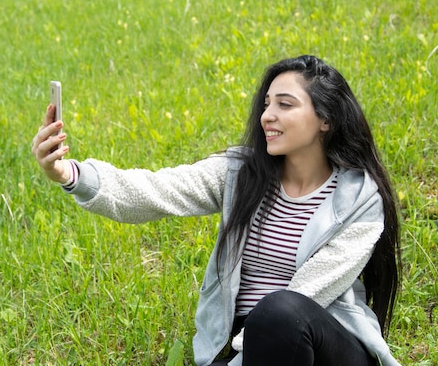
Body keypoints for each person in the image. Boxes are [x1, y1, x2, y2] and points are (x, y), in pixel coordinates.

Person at [32, 55, 402, 366]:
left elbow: (311, 293)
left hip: (328, 343)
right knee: (272, 318)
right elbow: (157, 190)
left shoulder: (359, 197)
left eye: (285, 104)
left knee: (280, 312)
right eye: (267, 103)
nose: (267, 115)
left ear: (326, 119)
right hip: (257, 344)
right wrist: (70, 174)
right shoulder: (241, 173)